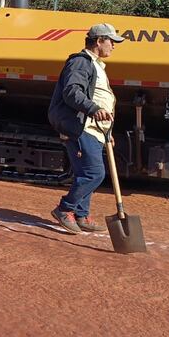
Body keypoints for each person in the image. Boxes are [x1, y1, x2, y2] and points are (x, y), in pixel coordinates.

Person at [47, 23, 125, 234]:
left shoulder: (97, 66)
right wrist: (92, 109)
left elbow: (102, 100)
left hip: (96, 129)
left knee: (85, 172)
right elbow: (72, 92)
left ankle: (81, 214)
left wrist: (107, 132)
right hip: (81, 127)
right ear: (99, 41)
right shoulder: (81, 62)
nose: (113, 47)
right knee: (94, 173)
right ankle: (65, 209)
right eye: (111, 42)